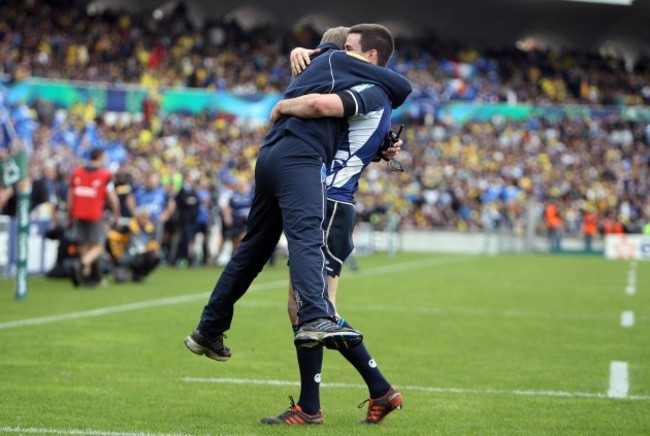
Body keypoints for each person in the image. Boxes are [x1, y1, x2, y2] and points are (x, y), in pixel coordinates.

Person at [184, 24, 412, 363]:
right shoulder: (337, 62)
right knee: (307, 236)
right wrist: (285, 104)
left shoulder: (317, 69)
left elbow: (348, 131)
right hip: (301, 159)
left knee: (253, 250)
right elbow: (394, 87)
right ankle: (316, 317)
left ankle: (208, 329)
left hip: (270, 156)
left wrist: (382, 150)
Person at [261, 24, 409, 426]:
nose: (342, 55)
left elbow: (321, 107)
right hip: (335, 206)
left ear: (370, 57)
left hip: (328, 203)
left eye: (350, 50)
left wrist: (281, 107)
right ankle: (366, 394)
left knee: (310, 308)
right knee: (311, 308)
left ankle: (338, 400)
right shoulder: (373, 90)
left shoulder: (370, 90)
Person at [67, 147, 120, 287]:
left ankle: (84, 277)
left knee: (85, 245)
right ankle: (82, 264)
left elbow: (70, 196)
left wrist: (69, 214)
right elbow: (112, 198)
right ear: (101, 157)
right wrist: (117, 215)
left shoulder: (77, 172)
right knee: (98, 246)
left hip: (78, 213)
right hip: (94, 213)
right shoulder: (105, 174)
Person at [106, 207, 161, 282]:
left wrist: (149, 249)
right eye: (145, 217)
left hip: (140, 257)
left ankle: (139, 274)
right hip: (126, 257)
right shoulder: (128, 226)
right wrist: (116, 255)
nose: (147, 220)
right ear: (138, 217)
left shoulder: (149, 229)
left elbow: (153, 244)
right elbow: (112, 236)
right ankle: (119, 269)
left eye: (148, 218)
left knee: (155, 256)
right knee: (120, 279)